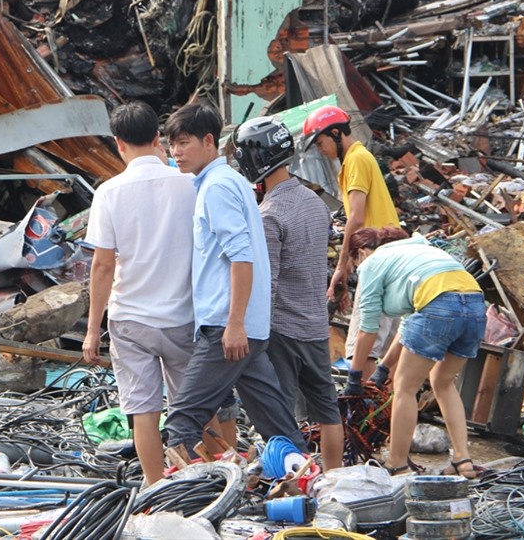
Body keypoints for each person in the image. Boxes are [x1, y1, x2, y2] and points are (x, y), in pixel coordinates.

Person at [162, 103, 304, 459]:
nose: (175, 152)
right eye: (172, 144)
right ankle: (306, 483)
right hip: (247, 325)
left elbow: (241, 256)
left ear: (209, 141)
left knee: (181, 421)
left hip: (227, 325)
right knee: (277, 425)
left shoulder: (217, 188)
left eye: (183, 143)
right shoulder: (231, 181)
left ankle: (187, 499)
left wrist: (234, 324)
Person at [82, 100, 200, 484]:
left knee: (143, 412)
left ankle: (155, 490)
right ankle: (202, 483)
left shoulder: (109, 192)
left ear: (118, 144)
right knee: (194, 408)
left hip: (130, 319)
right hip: (184, 316)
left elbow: (103, 265)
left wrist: (91, 329)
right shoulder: (190, 183)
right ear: (157, 139)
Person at [234, 116, 344, 471]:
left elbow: (267, 281)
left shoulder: (268, 215)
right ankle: (332, 477)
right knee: (327, 409)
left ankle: (290, 477)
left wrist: (252, 332)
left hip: (281, 329)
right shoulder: (315, 202)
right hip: (315, 326)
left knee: (280, 414)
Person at [347, 226, 486, 478]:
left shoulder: (372, 263)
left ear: (361, 253)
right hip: (475, 304)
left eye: (355, 261)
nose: (357, 268)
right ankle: (463, 460)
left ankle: (397, 464)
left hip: (438, 305)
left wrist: (355, 377)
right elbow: (411, 322)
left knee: (404, 388)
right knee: (442, 382)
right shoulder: (419, 251)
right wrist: (383, 368)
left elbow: (367, 329)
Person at [300, 105, 400, 378]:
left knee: (362, 349)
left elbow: (356, 219)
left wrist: (341, 269)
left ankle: (363, 416)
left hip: (379, 262)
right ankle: (383, 415)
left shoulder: (355, 159)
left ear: (335, 132)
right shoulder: (360, 158)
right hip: (392, 261)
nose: (321, 150)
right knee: (387, 353)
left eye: (321, 142)